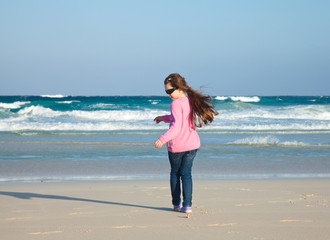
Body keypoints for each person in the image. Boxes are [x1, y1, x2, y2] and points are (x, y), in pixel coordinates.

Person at [153, 73, 218, 213]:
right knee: (186, 174)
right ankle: (187, 205)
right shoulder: (189, 101)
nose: (168, 94)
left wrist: (162, 139)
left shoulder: (175, 103)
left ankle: (176, 204)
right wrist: (163, 118)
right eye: (166, 92)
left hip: (178, 147)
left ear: (180, 89)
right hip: (192, 145)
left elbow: (176, 127)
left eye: (170, 91)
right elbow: (178, 119)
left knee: (175, 173)